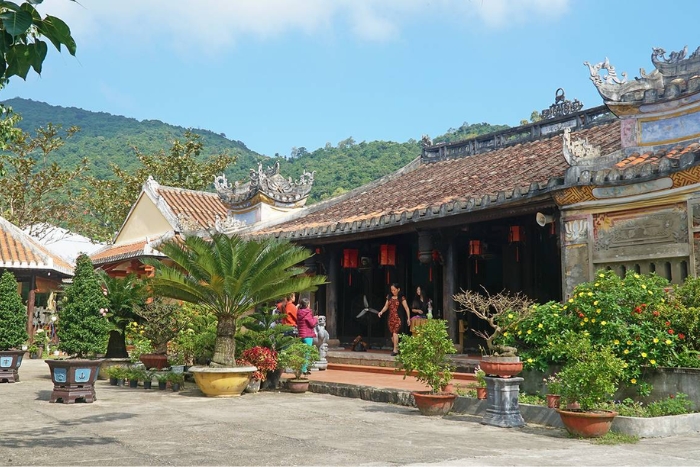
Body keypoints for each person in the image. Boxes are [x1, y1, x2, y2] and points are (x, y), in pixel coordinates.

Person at [377, 283, 411, 356]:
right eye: (392, 290)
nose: (393, 291)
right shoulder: (389, 297)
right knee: (392, 335)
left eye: (394, 290)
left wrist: (408, 318)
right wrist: (381, 312)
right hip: (390, 318)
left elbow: (407, 308)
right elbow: (386, 306)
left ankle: (395, 350)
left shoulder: (401, 298)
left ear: (398, 289)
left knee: (395, 332)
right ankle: (398, 348)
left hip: (398, 318)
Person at [296, 298, 318, 375]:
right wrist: (315, 319)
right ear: (307, 305)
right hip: (308, 335)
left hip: (301, 334)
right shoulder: (307, 313)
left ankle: (301, 368)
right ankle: (304, 369)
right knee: (307, 353)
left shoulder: (299, 312)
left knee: (302, 352)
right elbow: (312, 323)